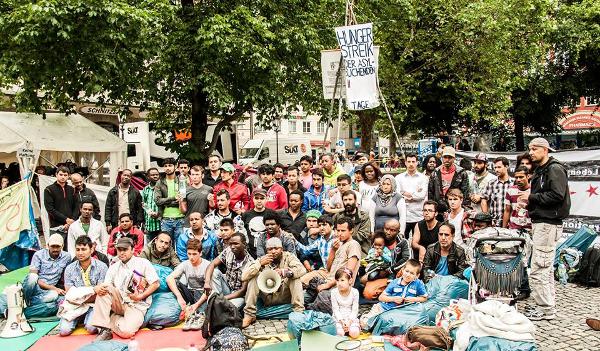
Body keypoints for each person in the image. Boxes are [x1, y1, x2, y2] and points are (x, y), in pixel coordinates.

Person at [521, 138, 570, 321]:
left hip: (548, 224)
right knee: (546, 268)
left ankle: (545, 309)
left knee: (539, 268)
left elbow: (557, 195)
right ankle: (547, 305)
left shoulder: (554, 168)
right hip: (543, 222)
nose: (531, 152)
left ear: (545, 150)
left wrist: (531, 197)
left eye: (534, 149)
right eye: (530, 149)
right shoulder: (542, 169)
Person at [91, 237, 160, 341]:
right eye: (119, 250)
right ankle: (104, 329)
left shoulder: (143, 263)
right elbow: (106, 287)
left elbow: (156, 284)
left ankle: (110, 321)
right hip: (119, 302)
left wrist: (141, 296)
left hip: (137, 305)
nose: (122, 253)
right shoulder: (113, 267)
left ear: (132, 249)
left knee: (127, 332)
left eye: (125, 249)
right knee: (105, 289)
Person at [241, 237, 306, 328]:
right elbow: (244, 276)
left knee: (295, 277)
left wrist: (285, 272)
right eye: (270, 249)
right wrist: (259, 264)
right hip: (268, 296)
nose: (273, 251)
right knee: (253, 277)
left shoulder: (289, 256)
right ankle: (249, 315)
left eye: (276, 248)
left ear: (282, 249)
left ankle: (298, 312)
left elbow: (302, 270)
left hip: (284, 294)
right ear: (266, 250)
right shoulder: (263, 260)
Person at [6, 234, 71, 317]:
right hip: (35, 286)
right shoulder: (38, 255)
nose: (55, 249)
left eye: (57, 246)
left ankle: (24, 304)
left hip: (46, 292)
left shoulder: (67, 257)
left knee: (54, 296)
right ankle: (25, 300)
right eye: (52, 246)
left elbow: (65, 275)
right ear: (47, 246)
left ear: (62, 246)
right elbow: (33, 276)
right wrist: (53, 288)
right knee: (33, 277)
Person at [58, 236, 108, 336]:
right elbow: (69, 294)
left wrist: (78, 295)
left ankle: (84, 318)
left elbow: (101, 294)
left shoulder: (102, 267)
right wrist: (93, 290)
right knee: (64, 331)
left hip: (94, 305)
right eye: (78, 249)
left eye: (84, 249)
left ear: (92, 249)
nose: (80, 253)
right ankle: (79, 318)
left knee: (91, 328)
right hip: (74, 305)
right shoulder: (70, 268)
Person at [360, 259, 428, 329]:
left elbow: (424, 298)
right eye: (407, 271)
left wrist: (414, 299)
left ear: (417, 276)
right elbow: (381, 297)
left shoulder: (418, 283)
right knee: (365, 324)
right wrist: (394, 299)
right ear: (402, 270)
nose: (408, 275)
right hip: (384, 308)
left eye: (412, 273)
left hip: (401, 312)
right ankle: (363, 319)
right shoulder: (395, 282)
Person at [166, 238, 210, 331]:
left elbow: (209, 289)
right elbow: (169, 278)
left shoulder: (207, 265)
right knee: (175, 283)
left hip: (204, 295)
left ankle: (199, 315)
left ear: (200, 253)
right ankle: (189, 312)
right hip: (191, 293)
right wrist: (179, 297)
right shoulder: (185, 264)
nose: (191, 257)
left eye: (194, 254)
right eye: (189, 254)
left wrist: (196, 305)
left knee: (204, 292)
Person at [204, 233, 253, 308]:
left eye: (236, 244)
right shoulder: (228, 251)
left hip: (239, 295)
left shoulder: (250, 263)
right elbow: (212, 264)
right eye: (231, 244)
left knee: (229, 308)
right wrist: (207, 282)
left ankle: (218, 302)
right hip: (227, 286)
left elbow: (242, 291)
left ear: (244, 244)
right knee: (215, 272)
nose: (232, 247)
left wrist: (223, 299)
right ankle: (216, 300)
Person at [313, 217, 362, 292]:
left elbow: (348, 272)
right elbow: (328, 268)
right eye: (338, 230)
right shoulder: (339, 245)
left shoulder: (353, 244)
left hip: (338, 288)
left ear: (351, 230)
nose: (339, 233)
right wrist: (333, 250)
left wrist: (328, 285)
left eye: (343, 231)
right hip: (328, 282)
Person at [428, 146, 470, 214]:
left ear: (454, 158)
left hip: (456, 210)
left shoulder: (461, 173)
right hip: (438, 210)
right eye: (445, 157)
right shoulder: (435, 173)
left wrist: (464, 211)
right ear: (442, 158)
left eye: (450, 157)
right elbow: (430, 194)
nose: (447, 159)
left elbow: (465, 195)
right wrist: (432, 210)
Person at [297, 215, 337, 285]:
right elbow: (305, 250)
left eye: (324, 225)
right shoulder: (320, 240)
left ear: (332, 226)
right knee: (300, 282)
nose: (321, 228)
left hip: (337, 273)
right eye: (320, 225)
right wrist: (293, 241)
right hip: (324, 271)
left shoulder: (338, 238)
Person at [395, 153, 428, 238]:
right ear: (405, 163)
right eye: (409, 161)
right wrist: (414, 195)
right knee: (402, 242)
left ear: (417, 163)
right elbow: (397, 195)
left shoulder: (423, 178)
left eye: (413, 161)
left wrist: (405, 193)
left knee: (418, 243)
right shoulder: (398, 178)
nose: (411, 164)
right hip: (403, 216)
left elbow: (422, 195)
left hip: (418, 216)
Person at [154, 158, 186, 243]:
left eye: (170, 165)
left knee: (180, 245)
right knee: (166, 245)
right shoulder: (160, 182)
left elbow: (184, 198)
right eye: (165, 166)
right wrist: (172, 198)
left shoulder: (182, 180)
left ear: (175, 167)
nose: (168, 168)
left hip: (181, 218)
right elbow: (157, 200)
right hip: (166, 219)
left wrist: (168, 203)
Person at [333, 190, 372, 256]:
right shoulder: (338, 216)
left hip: (361, 250)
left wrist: (345, 239)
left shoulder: (364, 216)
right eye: (345, 200)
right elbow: (334, 230)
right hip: (341, 249)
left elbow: (363, 234)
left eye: (350, 199)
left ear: (355, 201)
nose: (347, 202)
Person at [44, 166, 76, 242]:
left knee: (71, 248)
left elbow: (76, 207)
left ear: (68, 176)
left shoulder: (72, 189)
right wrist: (66, 219)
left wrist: (71, 221)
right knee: (56, 248)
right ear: (56, 175)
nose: (63, 177)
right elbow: (50, 209)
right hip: (56, 225)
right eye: (61, 174)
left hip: (71, 225)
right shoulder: (49, 189)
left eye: (65, 175)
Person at [243, 188, 275, 258]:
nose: (259, 201)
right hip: (249, 253)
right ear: (253, 199)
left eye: (262, 198)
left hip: (269, 252)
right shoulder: (246, 215)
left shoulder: (272, 214)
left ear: (266, 199)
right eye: (256, 198)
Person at [481, 157, 513, 226]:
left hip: (511, 222)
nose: (496, 170)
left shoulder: (514, 183)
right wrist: (487, 218)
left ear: (506, 167)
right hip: (495, 222)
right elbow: (484, 200)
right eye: (495, 168)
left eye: (499, 167)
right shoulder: (491, 183)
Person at [331, 268, 360, 338]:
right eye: (337, 281)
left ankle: (351, 329)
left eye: (342, 280)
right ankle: (343, 330)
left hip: (351, 318)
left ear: (350, 280)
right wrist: (342, 322)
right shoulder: (334, 292)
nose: (339, 283)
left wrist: (349, 322)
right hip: (339, 318)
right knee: (339, 333)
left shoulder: (355, 292)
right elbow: (335, 309)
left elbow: (355, 310)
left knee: (354, 333)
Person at [503, 166, 532, 230]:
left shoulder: (534, 190)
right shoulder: (510, 190)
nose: (518, 180)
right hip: (514, 228)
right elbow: (507, 210)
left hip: (530, 228)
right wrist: (504, 229)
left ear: (528, 176)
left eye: (521, 177)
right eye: (516, 177)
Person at [141, 167, 161, 241]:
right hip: (149, 224)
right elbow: (144, 204)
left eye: (157, 174)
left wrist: (158, 214)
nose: (155, 176)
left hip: (161, 224)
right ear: (148, 177)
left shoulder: (163, 188)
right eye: (153, 175)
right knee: (150, 247)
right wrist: (144, 222)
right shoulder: (145, 189)